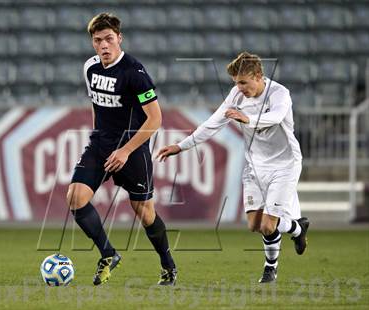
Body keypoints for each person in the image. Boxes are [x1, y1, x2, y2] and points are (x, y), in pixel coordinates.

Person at [157, 51, 309, 283]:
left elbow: (277, 117)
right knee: (254, 224)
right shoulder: (236, 95)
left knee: (269, 225)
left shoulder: (279, 93)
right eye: (236, 83)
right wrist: (181, 146)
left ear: (258, 76)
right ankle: (297, 228)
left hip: (284, 164)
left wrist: (247, 119)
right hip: (255, 165)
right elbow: (213, 123)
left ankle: (270, 268)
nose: (239, 88)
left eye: (243, 82)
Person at [68, 13, 176, 286]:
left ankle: (168, 265)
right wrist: (98, 137)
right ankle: (108, 254)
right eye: (97, 40)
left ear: (119, 38)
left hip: (133, 150)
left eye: (108, 39)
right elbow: (96, 103)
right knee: (75, 196)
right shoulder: (90, 68)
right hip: (101, 145)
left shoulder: (135, 73)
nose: (103, 45)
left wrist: (126, 150)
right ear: (92, 43)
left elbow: (155, 119)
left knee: (144, 212)